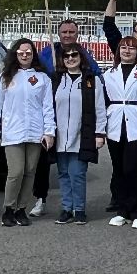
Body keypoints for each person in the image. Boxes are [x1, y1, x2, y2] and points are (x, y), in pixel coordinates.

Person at [0, 38, 55, 227]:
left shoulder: (42, 78)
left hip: (35, 132)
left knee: (29, 172)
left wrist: (49, 131)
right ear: (15, 54)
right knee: (15, 172)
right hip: (13, 132)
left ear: (33, 55)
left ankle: (21, 209)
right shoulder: (4, 78)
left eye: (29, 52)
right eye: (21, 52)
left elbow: (48, 107)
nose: (25, 55)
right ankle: (8, 208)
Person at [31, 19, 97, 218]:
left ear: (77, 34)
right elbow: (36, 75)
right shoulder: (46, 52)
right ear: (58, 34)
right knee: (49, 167)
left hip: (78, 125)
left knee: (76, 172)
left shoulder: (82, 53)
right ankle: (41, 199)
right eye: (64, 32)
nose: (67, 35)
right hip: (51, 120)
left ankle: (78, 209)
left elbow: (95, 75)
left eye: (71, 32)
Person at [102, 36, 137, 228]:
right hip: (115, 126)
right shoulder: (109, 74)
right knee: (119, 171)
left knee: (135, 170)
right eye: (124, 48)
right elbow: (103, 103)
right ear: (118, 51)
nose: (127, 51)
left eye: (132, 48)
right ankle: (123, 210)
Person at [52, 44, 108, 224]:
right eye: (66, 56)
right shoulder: (57, 80)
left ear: (81, 57)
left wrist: (100, 133)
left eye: (74, 55)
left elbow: (99, 108)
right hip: (60, 136)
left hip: (81, 134)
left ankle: (79, 209)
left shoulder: (92, 80)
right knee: (63, 173)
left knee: (77, 173)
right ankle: (66, 208)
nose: (70, 58)